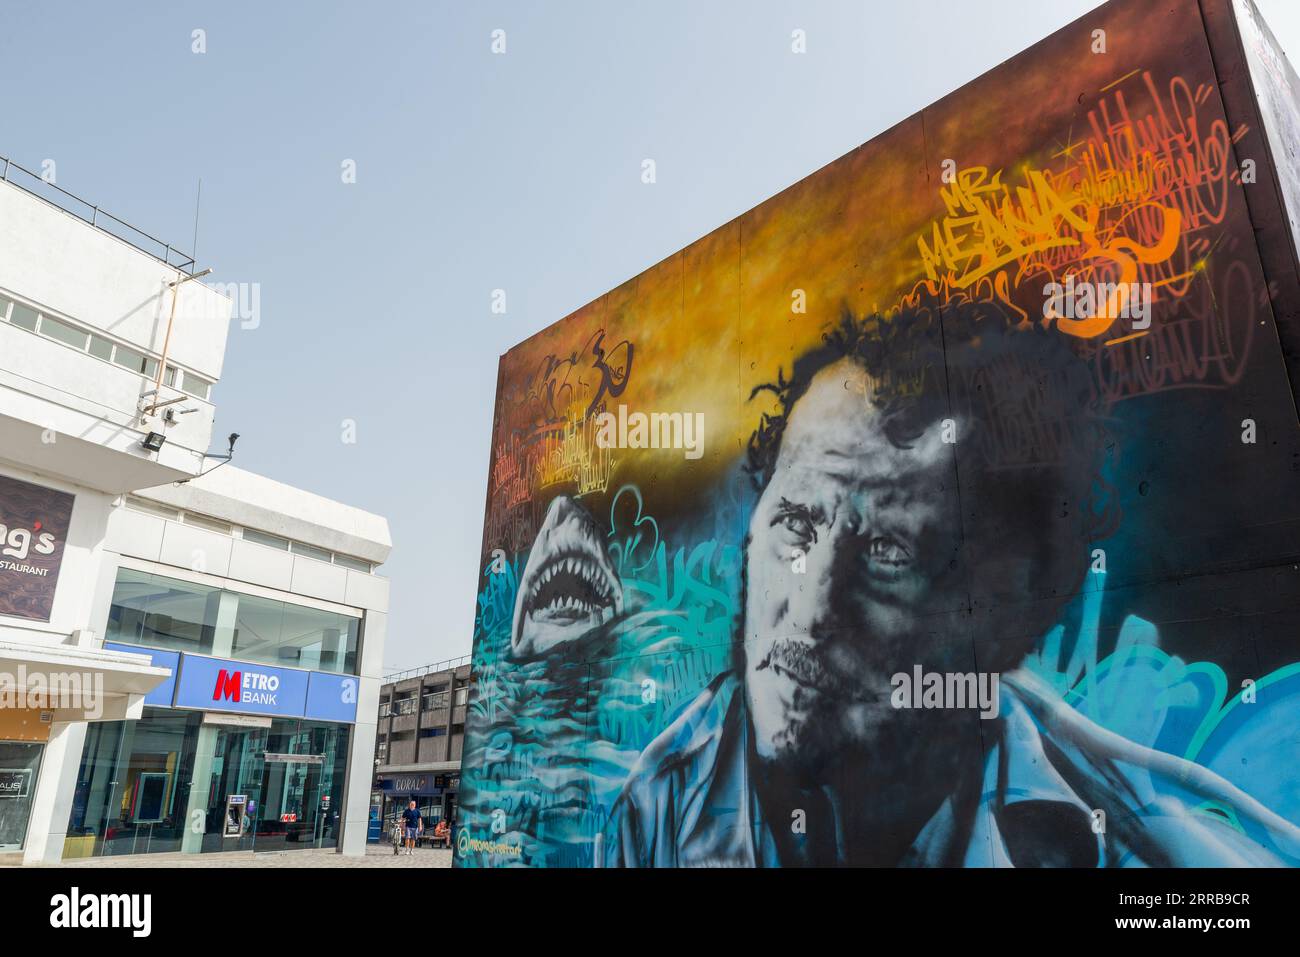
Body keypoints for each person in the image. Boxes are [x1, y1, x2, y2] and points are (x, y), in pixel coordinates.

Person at [596, 300, 1300, 867]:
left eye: (887, 550)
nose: (810, 612)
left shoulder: (1147, 852)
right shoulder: (656, 810)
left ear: (998, 608)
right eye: (797, 523)